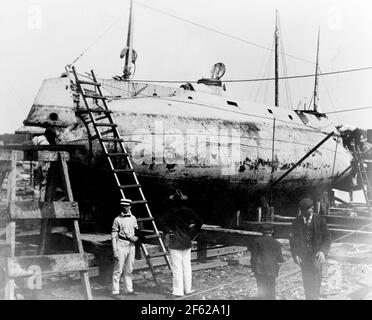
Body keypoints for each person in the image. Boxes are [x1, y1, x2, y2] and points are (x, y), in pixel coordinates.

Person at [159, 190, 203, 297]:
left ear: (173, 201)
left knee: (177, 267)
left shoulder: (170, 212)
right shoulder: (188, 211)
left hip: (174, 242)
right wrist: (190, 233)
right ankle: (188, 289)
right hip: (186, 241)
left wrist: (168, 231)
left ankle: (178, 291)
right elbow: (199, 222)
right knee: (187, 266)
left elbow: (161, 222)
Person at [289, 197, 331, 300]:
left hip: (317, 256)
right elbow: (292, 240)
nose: (304, 213)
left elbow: (327, 237)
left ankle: (315, 298)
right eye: (302, 211)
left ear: (312, 208)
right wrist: (296, 254)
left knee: (316, 280)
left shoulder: (320, 220)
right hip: (304, 257)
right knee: (307, 281)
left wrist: (322, 251)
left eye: (306, 210)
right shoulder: (297, 222)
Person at [111, 198, 140, 295]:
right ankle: (115, 291)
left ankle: (129, 289)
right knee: (118, 269)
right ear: (121, 207)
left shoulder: (133, 218)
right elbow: (114, 236)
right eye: (124, 206)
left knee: (129, 268)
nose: (126, 208)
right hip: (121, 244)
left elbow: (137, 231)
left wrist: (136, 237)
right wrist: (115, 251)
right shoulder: (117, 219)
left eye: (127, 206)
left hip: (131, 245)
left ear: (130, 206)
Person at [250, 223, 285, 300]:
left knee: (261, 290)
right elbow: (280, 259)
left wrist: (254, 269)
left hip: (260, 270)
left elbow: (253, 257)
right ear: (272, 231)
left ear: (262, 231)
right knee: (271, 289)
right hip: (271, 270)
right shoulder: (277, 243)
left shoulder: (256, 241)